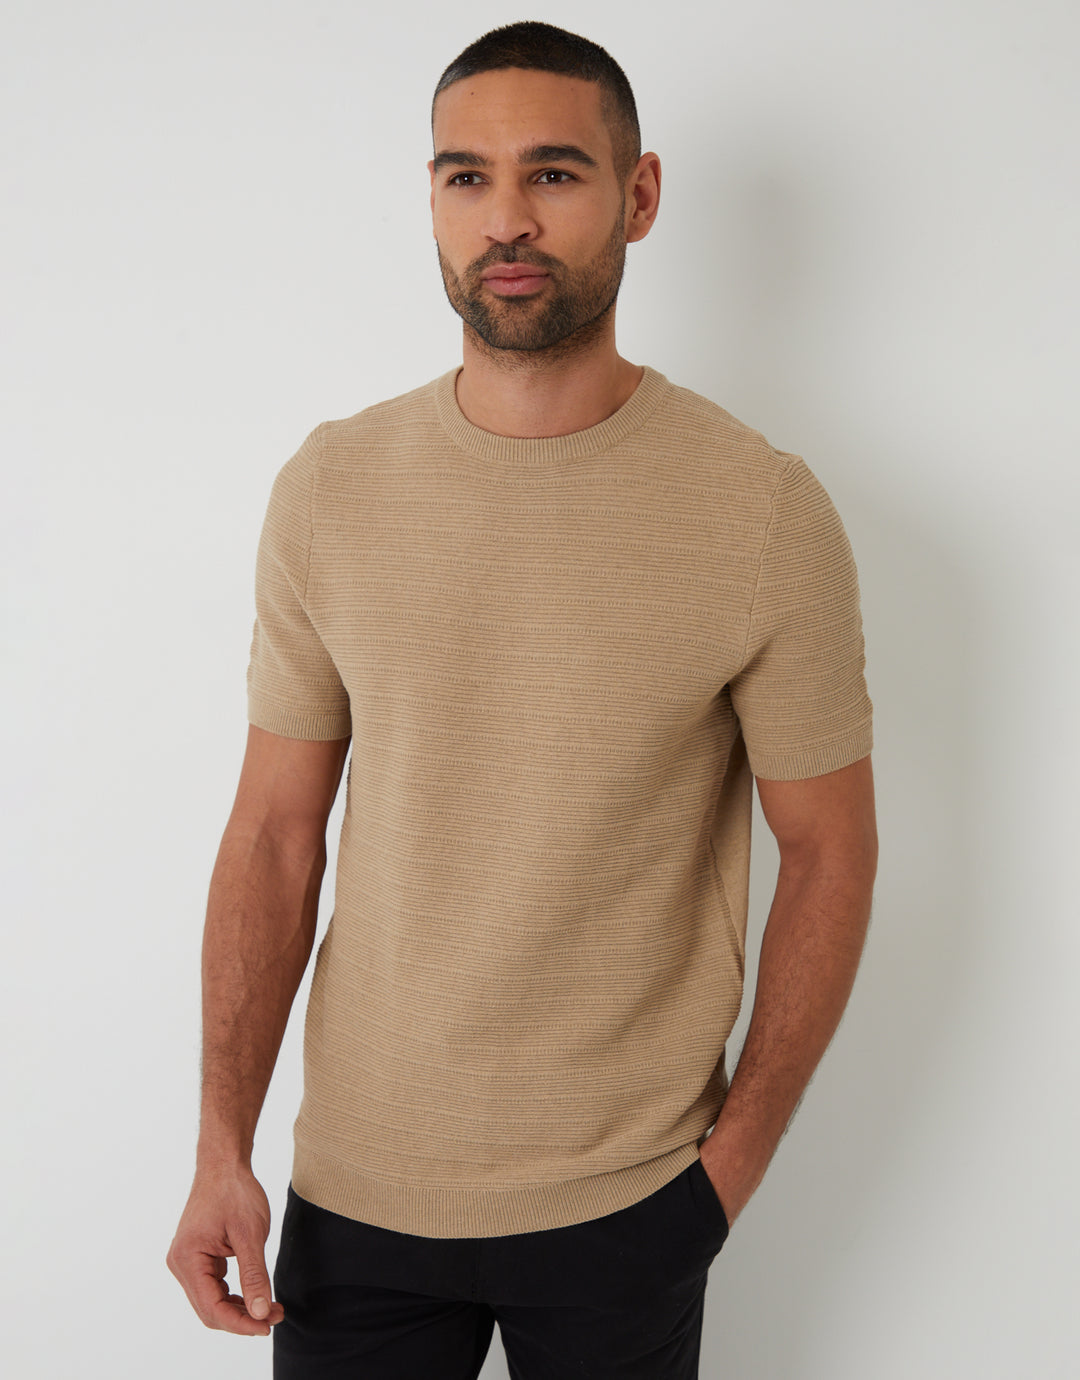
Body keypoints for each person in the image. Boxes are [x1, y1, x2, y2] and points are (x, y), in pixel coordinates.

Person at [167, 20, 877, 1379]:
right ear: (432, 200)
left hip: (628, 1201)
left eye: (554, 173)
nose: (506, 219)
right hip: (357, 1192)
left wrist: (724, 1177)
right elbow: (272, 834)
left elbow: (831, 850)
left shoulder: (760, 511)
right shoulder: (331, 488)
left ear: (639, 195)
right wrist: (220, 1147)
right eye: (466, 177)